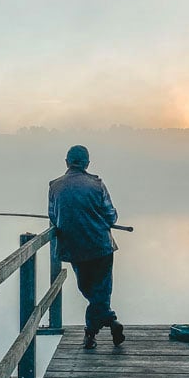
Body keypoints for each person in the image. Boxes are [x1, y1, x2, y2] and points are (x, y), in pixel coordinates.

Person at [48, 145, 125, 350]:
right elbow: (110, 216)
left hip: (75, 249)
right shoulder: (97, 185)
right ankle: (109, 321)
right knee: (101, 290)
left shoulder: (55, 186)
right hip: (101, 246)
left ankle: (91, 335)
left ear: (66, 162)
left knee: (89, 290)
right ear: (87, 164)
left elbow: (54, 218)